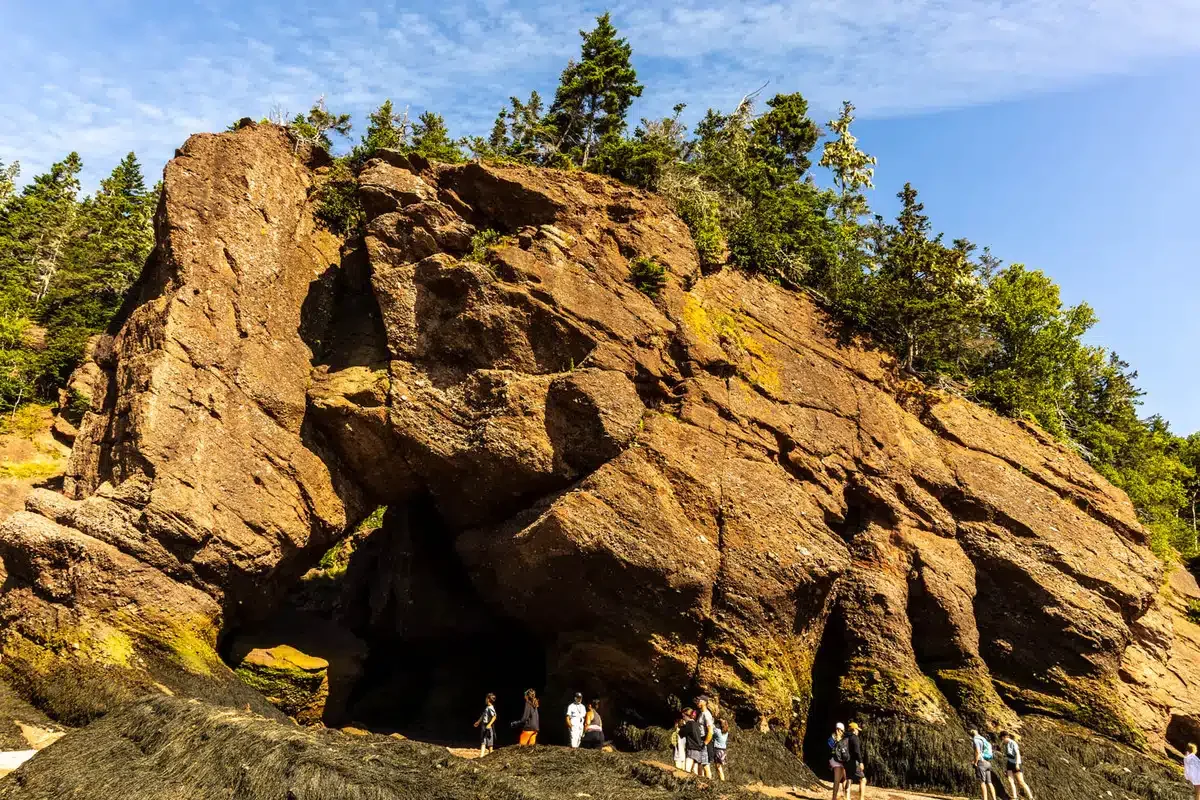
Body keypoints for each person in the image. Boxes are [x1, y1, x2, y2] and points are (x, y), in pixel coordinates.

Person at [1000, 731, 1034, 799]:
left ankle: (1031, 797)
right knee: (1010, 780)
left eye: (1002, 738)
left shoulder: (1013, 743)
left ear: (1004, 737)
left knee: (1021, 782)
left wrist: (1017, 764)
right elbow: (1007, 756)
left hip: (1015, 763)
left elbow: (1017, 753)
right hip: (1009, 764)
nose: (1002, 740)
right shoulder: (1005, 744)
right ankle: (1014, 797)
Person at [971, 729, 997, 800]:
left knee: (982, 782)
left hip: (981, 763)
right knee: (989, 782)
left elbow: (977, 752)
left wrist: (975, 762)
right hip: (988, 763)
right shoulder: (983, 739)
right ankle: (994, 799)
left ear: (973, 731)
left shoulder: (976, 739)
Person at [682, 707, 709, 777]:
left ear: (686, 715)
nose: (683, 718)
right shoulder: (696, 724)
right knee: (695, 769)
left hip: (691, 748)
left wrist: (682, 726)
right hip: (698, 748)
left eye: (683, 716)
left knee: (687, 769)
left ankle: (685, 780)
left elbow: (682, 733)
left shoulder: (689, 724)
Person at [846, 722, 866, 800]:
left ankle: (847, 797)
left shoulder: (845, 737)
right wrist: (861, 762)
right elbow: (857, 751)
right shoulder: (854, 738)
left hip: (846, 761)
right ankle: (861, 798)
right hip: (853, 761)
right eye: (857, 729)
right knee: (863, 779)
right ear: (854, 729)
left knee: (849, 779)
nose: (858, 731)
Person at [828, 722, 848, 800]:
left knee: (844, 778)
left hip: (839, 761)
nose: (841, 732)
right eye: (841, 730)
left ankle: (844, 796)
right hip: (837, 761)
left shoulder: (831, 738)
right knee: (837, 780)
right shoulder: (834, 739)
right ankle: (834, 798)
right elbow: (831, 750)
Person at [473, 693, 497, 758]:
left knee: (490, 745)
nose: (485, 700)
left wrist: (489, 725)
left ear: (488, 699)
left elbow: (494, 716)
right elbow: (483, 715)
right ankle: (481, 756)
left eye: (486, 698)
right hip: (484, 726)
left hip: (488, 727)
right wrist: (478, 722)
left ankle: (491, 758)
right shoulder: (487, 708)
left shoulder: (490, 708)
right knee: (483, 742)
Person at [697, 697, 716, 769]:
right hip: (701, 739)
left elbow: (710, 731)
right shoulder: (701, 713)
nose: (697, 702)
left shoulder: (707, 714)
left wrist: (705, 743)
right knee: (700, 764)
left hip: (705, 740)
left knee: (706, 766)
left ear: (704, 702)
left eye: (699, 700)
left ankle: (709, 779)